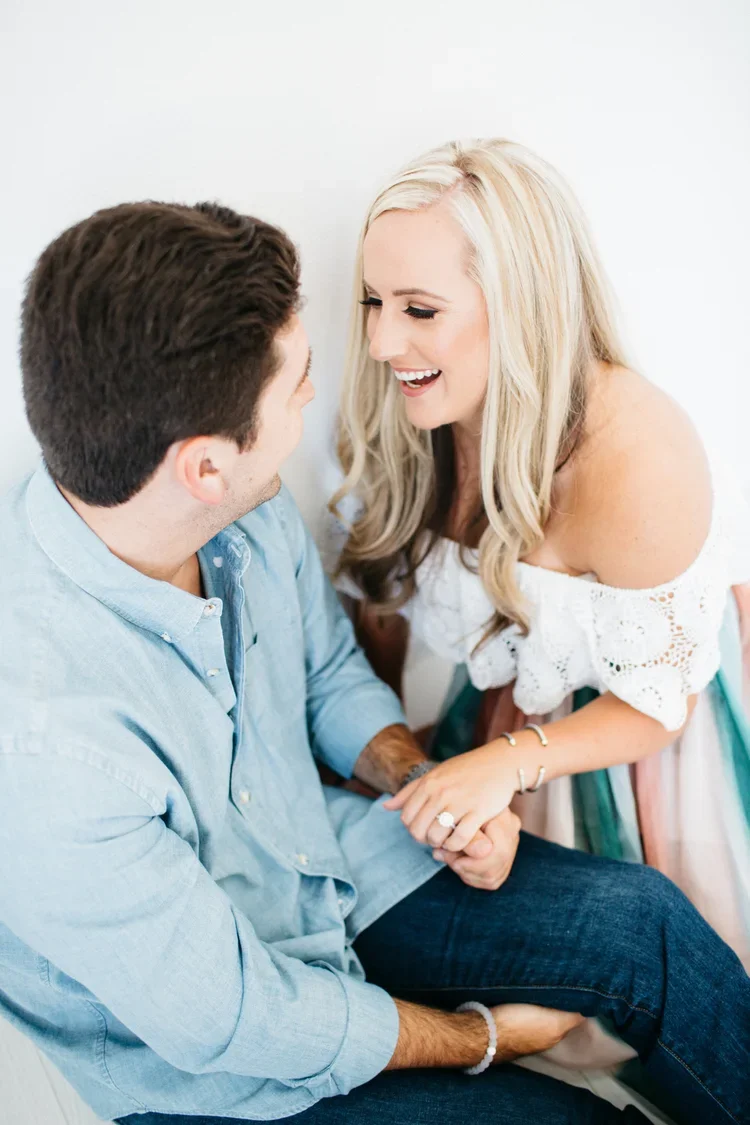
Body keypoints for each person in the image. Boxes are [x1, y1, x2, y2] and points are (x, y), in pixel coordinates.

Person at [0, 201, 747, 1125]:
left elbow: (323, 679)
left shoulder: (228, 503)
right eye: (297, 382)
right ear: (203, 465)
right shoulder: (47, 755)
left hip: (327, 864)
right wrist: (483, 1036)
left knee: (647, 930)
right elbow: (242, 1019)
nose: (320, 391)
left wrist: (430, 788)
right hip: (230, 1069)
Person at [331, 138, 750, 980]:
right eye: (374, 302)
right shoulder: (413, 413)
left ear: (520, 305)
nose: (379, 342)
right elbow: (374, 604)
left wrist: (507, 762)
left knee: (651, 978)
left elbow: (659, 704)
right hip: (495, 729)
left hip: (633, 753)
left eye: (418, 310)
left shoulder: (637, 458)